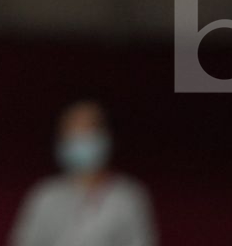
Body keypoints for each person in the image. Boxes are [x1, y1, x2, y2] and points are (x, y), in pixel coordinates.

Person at [11, 101, 158, 246]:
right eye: (72, 135)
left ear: (105, 137)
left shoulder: (129, 196)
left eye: (87, 132)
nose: (79, 141)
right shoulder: (44, 195)